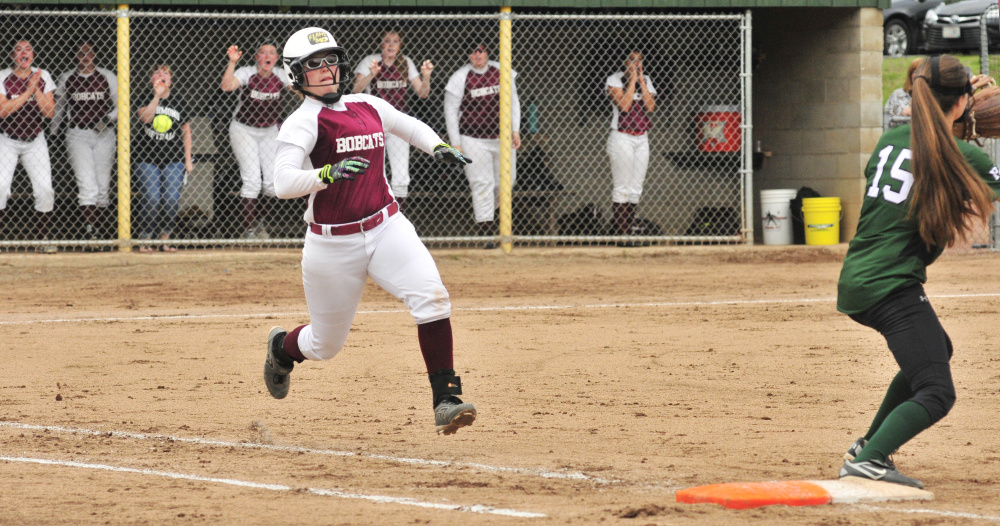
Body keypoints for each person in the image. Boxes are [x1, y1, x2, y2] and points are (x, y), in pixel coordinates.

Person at [265, 27, 476, 435]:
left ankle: (446, 397)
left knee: (432, 297)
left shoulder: (367, 103)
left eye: (330, 61)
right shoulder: (303, 121)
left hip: (386, 225)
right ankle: (281, 349)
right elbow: (283, 183)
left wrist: (438, 147)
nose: (326, 70)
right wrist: (326, 173)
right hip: (332, 243)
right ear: (296, 75)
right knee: (325, 345)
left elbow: (409, 126)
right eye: (313, 64)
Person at [837, 55, 1000, 489]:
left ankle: (868, 445)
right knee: (937, 391)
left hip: (862, 276)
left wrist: (962, 122)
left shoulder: (889, 139)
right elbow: (954, 163)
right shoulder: (961, 155)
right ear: (963, 101)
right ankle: (869, 460)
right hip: (889, 285)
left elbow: (926, 153)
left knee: (934, 352)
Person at [443, 38, 521, 248]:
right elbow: (450, 112)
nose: (477, 55)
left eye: (481, 51)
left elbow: (514, 101)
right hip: (473, 138)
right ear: (468, 55)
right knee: (481, 184)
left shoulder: (501, 70)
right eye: (472, 51)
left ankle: (486, 214)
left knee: (507, 182)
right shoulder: (461, 77)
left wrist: (515, 129)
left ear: (487, 53)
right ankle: (486, 231)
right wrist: (456, 143)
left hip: (501, 137)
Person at [353, 30, 433, 211]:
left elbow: (423, 93)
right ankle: (373, 211)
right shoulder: (370, 61)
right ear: (381, 44)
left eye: (395, 41)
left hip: (397, 123)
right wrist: (372, 74)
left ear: (400, 45)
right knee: (374, 172)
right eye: (387, 41)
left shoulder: (405, 63)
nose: (391, 45)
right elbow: (356, 90)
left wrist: (426, 77)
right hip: (374, 123)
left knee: (401, 175)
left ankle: (399, 214)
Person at [220, 40, 291, 240]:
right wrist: (232, 62)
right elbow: (226, 86)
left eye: (272, 53)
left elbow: (300, 90)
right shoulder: (247, 72)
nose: (267, 56)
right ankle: (248, 230)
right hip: (244, 130)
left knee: (272, 185)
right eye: (263, 52)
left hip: (269, 131)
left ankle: (258, 222)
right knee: (252, 181)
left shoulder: (280, 74)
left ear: (276, 58)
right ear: (256, 57)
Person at [51, 41, 118, 241]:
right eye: (80, 53)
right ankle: (90, 232)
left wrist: (107, 119)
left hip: (104, 133)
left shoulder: (107, 76)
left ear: (95, 54)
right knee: (87, 184)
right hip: (77, 133)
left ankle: (101, 231)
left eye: (89, 52)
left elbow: (121, 104)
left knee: (103, 185)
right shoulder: (68, 77)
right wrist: (53, 134)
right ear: (75, 56)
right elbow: (59, 108)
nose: (85, 56)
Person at [0, 39, 57, 252]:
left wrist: (36, 90)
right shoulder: (3, 76)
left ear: (33, 54)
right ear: (12, 56)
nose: (24, 54)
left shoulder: (44, 76)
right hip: (7, 139)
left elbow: (49, 112)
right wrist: (28, 91)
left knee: (44, 189)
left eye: (28, 50)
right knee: (0, 187)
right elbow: (2, 111)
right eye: (19, 50)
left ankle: (41, 240)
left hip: (35, 140)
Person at [133, 64, 192, 253]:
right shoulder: (144, 96)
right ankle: (145, 238)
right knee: (151, 197)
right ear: (152, 80)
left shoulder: (179, 102)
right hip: (146, 157)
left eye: (165, 73)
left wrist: (188, 159)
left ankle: (165, 238)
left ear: (171, 81)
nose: (161, 75)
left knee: (171, 199)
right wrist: (157, 96)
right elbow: (146, 118)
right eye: (157, 73)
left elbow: (186, 132)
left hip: (173, 158)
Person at [606, 50, 656, 239]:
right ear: (624, 62)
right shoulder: (614, 80)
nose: (636, 63)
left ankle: (630, 229)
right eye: (632, 60)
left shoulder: (647, 79)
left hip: (642, 137)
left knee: (636, 188)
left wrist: (641, 81)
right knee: (622, 187)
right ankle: (622, 233)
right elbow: (625, 106)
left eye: (640, 60)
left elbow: (650, 107)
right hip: (621, 137)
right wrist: (633, 80)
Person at [883, 57, 922, 130]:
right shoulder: (897, 95)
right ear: (910, 75)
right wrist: (902, 114)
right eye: (915, 72)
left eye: (921, 72)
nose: (918, 75)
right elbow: (886, 121)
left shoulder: (932, 95)